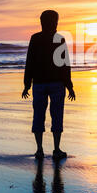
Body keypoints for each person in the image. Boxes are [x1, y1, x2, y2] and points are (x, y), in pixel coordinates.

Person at [22, 10, 76, 160]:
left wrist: (27, 84)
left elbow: (29, 63)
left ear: (41, 22)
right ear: (55, 22)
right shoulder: (59, 39)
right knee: (57, 116)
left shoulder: (35, 38)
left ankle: (39, 150)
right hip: (56, 84)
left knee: (38, 115)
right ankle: (56, 149)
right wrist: (69, 86)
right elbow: (65, 65)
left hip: (39, 84)